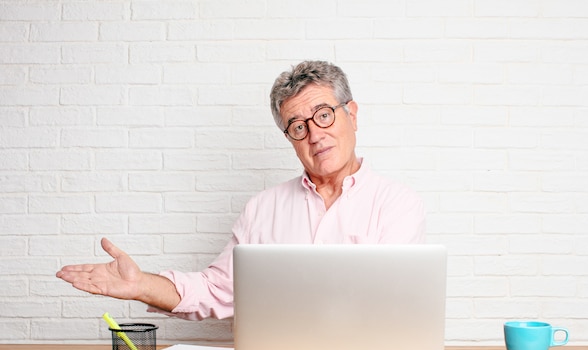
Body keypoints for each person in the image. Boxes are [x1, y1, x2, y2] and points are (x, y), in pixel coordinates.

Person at [56, 60, 426, 320]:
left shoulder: (397, 205)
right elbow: (217, 289)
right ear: (289, 138)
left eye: (324, 115)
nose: (315, 135)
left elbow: (394, 306)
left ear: (352, 114)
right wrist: (141, 285)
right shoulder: (262, 209)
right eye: (297, 126)